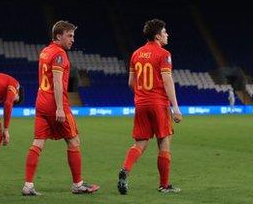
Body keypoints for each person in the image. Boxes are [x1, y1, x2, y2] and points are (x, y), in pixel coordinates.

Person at [21, 20, 100, 196]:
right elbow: (57, 82)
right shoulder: (59, 55)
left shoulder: (45, 51)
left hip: (41, 100)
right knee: (73, 141)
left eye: (73, 36)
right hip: (54, 102)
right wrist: (59, 108)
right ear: (58, 36)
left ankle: (28, 185)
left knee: (38, 142)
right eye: (69, 36)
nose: (72, 39)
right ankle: (78, 184)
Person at [118, 19, 182, 195]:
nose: (167, 34)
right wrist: (175, 107)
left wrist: (141, 95)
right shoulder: (164, 54)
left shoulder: (136, 54)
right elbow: (168, 81)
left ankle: (125, 169)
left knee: (140, 142)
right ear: (157, 36)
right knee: (164, 141)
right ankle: (164, 185)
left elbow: (131, 82)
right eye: (164, 32)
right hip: (159, 103)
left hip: (141, 103)